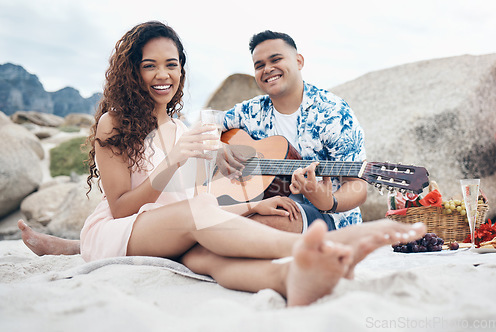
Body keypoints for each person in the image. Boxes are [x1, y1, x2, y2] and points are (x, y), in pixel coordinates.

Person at [17, 21, 427, 306]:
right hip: (125, 229)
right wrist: (176, 160)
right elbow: (124, 206)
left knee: (210, 260)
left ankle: (287, 278)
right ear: (132, 71)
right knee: (201, 217)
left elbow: (199, 194)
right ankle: (315, 247)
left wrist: (253, 205)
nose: (163, 75)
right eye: (150, 65)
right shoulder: (115, 124)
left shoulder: (178, 126)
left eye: (172, 64)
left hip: (172, 229)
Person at [218, 30, 367, 234]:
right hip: (264, 207)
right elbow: (204, 126)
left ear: (299, 61)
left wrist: (329, 201)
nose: (267, 69)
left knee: (249, 225)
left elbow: (357, 186)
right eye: (259, 65)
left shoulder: (333, 113)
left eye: (276, 59)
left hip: (331, 221)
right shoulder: (249, 111)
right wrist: (217, 148)